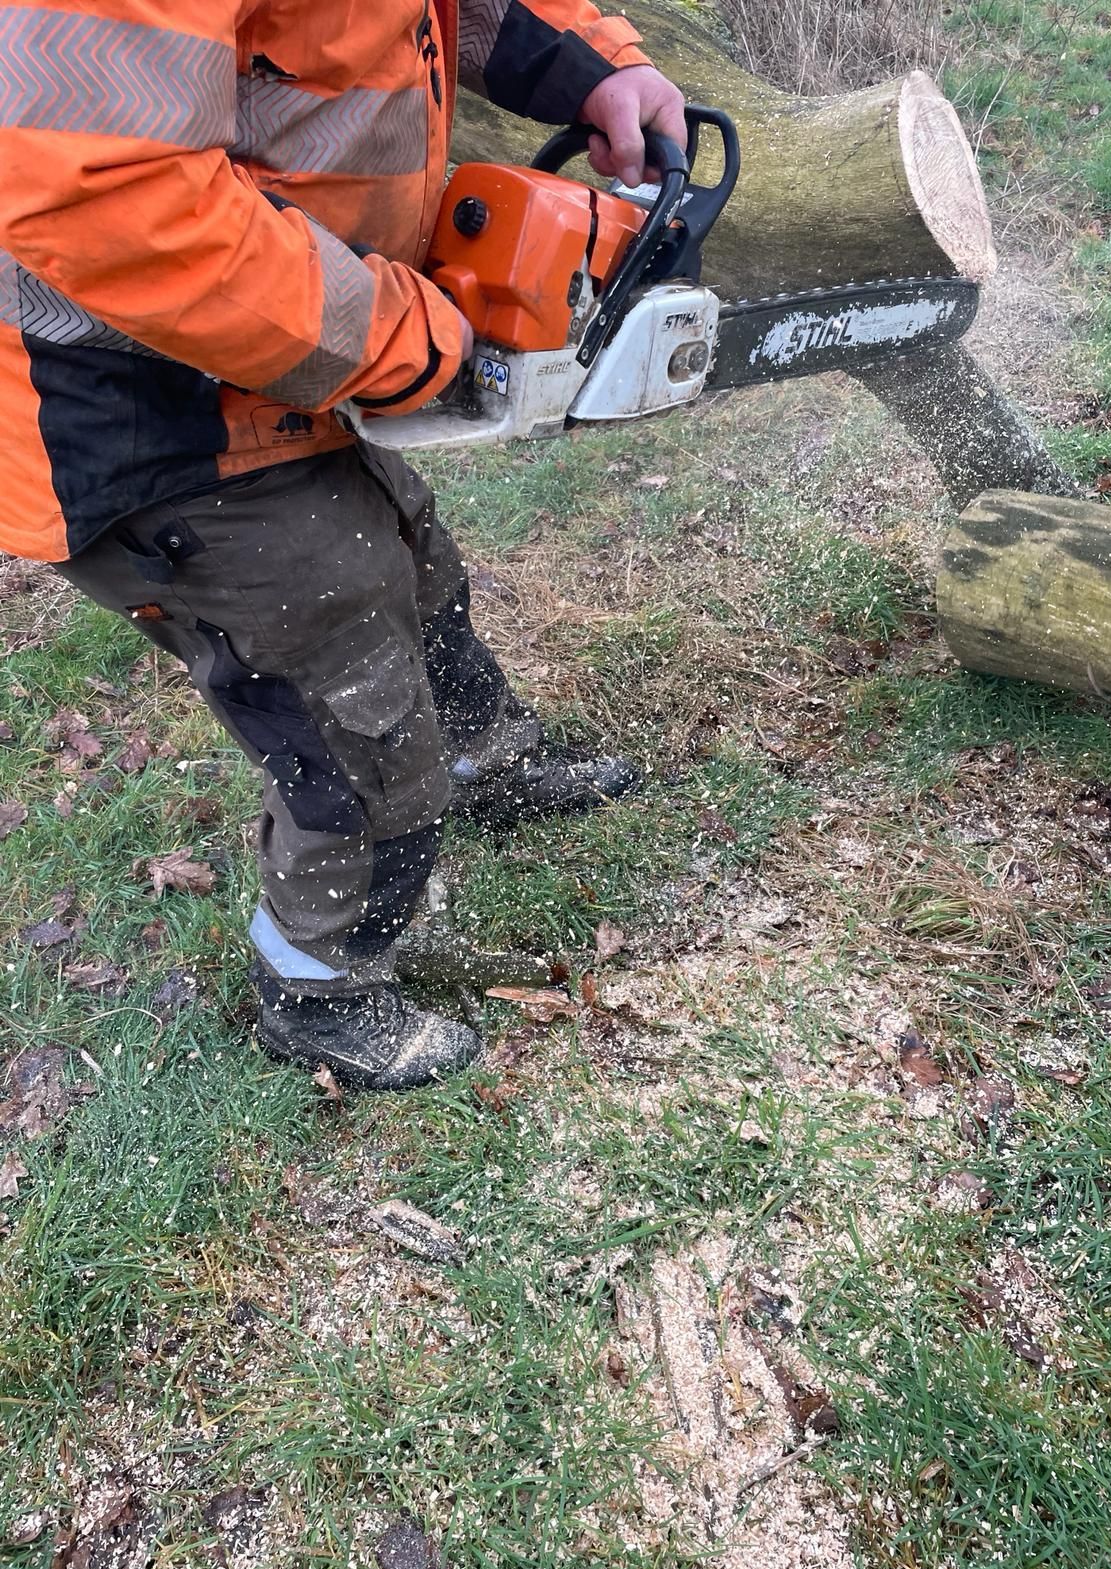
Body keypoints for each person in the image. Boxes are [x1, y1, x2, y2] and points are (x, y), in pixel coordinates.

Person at [0, 0, 687, 1090]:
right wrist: (393, 336)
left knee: (411, 563)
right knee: (349, 691)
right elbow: (104, 192)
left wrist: (589, 69)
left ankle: (484, 759)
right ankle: (318, 986)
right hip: (142, 406)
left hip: (291, 347)